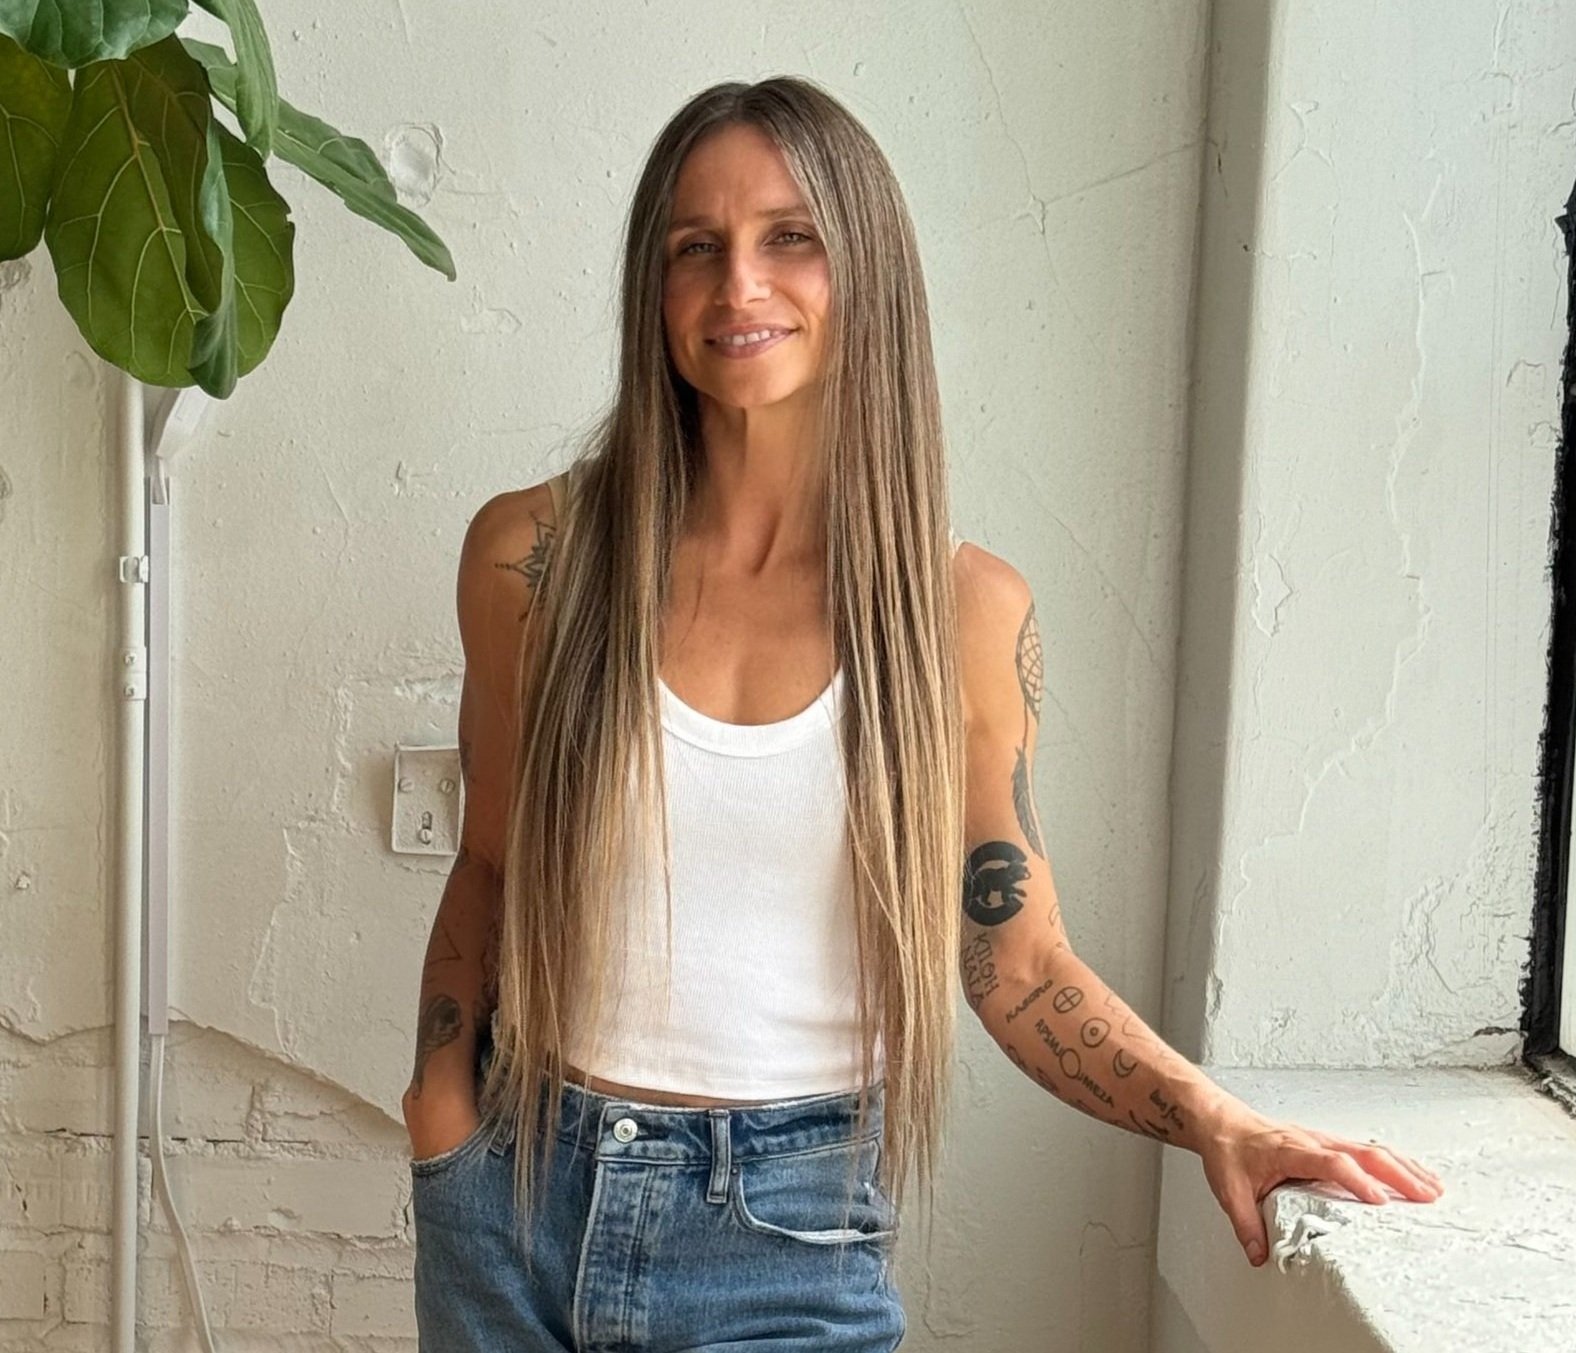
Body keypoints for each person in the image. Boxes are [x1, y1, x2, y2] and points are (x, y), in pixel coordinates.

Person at [398, 75, 1443, 1352]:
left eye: (791, 238)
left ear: (866, 269)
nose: (739, 286)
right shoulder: (534, 559)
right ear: (651, 289)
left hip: (784, 1227)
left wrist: (1211, 1115)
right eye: (695, 248)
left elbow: (1015, 963)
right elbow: (491, 860)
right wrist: (438, 1103)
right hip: (513, 1192)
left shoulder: (956, 615)